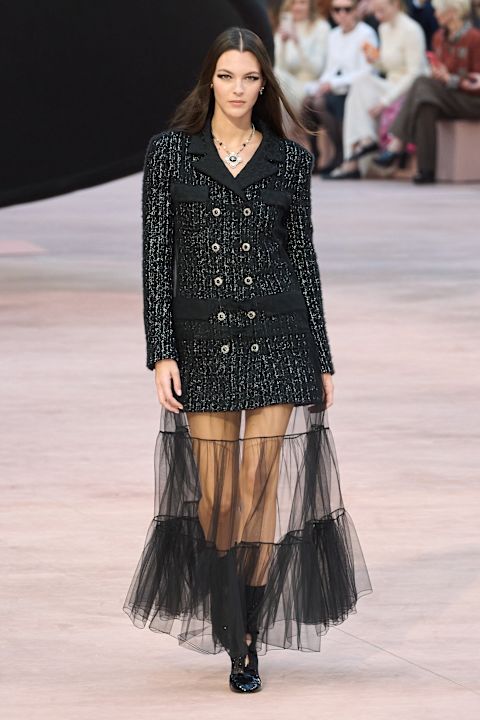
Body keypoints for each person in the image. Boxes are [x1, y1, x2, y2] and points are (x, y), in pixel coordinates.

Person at [123, 26, 372, 694]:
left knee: (260, 487)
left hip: (278, 339)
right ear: (210, 80)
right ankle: (229, 604)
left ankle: (247, 637)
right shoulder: (171, 154)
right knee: (219, 494)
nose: (238, 89)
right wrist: (161, 351)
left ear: (265, 85)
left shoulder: (289, 161)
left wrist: (321, 356)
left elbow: (303, 258)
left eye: (251, 78)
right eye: (228, 76)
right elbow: (156, 257)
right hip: (202, 342)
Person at [373, 0, 480, 183]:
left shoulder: (474, 38)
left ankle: (397, 143)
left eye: (438, 10)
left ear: (452, 12)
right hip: (449, 96)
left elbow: (475, 82)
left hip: (472, 100)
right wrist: (439, 74)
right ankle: (426, 170)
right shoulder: (438, 37)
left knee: (421, 83)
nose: (435, 14)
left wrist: (451, 79)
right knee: (425, 103)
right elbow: (441, 75)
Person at [325, 0, 427, 178]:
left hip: (410, 89)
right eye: (376, 12)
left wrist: (384, 101)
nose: (378, 16)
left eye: (382, 11)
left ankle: (353, 161)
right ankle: (364, 142)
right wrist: (375, 60)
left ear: (395, 5)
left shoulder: (411, 29)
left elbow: (414, 74)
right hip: (390, 84)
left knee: (362, 89)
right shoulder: (384, 28)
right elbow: (387, 67)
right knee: (360, 82)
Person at [301, 0, 379, 174]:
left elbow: (368, 71)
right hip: (335, 89)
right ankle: (315, 155)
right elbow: (330, 68)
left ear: (356, 11)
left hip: (355, 91)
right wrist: (322, 84)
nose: (342, 14)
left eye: (347, 9)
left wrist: (333, 83)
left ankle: (340, 154)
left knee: (321, 103)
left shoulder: (367, 33)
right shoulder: (333, 35)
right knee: (308, 102)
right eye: (337, 10)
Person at [273, 0, 331, 115]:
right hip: (285, 82)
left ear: (310, 5)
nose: (297, 7)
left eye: (302, 2)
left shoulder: (321, 27)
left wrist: (297, 42)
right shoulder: (284, 27)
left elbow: (316, 70)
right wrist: (283, 44)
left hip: (309, 86)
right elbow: (279, 67)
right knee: (275, 76)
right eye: (293, 3)